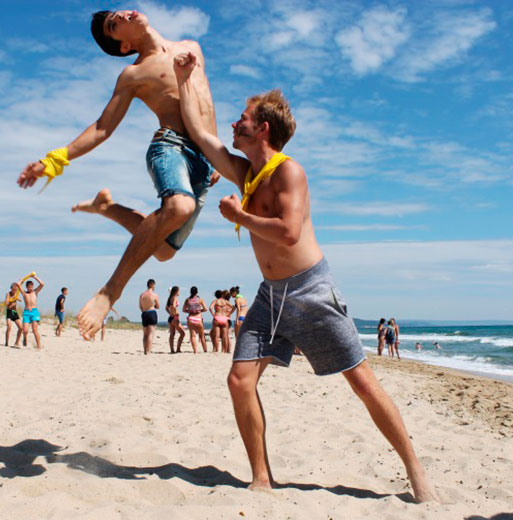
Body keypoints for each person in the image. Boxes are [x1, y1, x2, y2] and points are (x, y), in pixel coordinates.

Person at [174, 57, 438, 501]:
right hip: (270, 297)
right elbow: (200, 134)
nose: (235, 124)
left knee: (362, 382)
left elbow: (290, 230)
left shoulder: (288, 171)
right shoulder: (246, 172)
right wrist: (184, 81)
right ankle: (261, 476)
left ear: (262, 129)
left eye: (243, 118)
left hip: (312, 291)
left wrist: (240, 216)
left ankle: (416, 472)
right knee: (239, 381)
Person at [17, 9, 219, 341]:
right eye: (114, 24)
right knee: (178, 208)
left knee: (164, 251)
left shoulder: (192, 46)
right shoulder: (134, 73)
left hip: (204, 159)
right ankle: (110, 291)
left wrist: (216, 159)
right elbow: (101, 128)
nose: (123, 15)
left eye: (118, 13)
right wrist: (52, 161)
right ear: (124, 45)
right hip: (170, 146)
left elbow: (205, 105)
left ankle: (106, 207)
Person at [20, 274, 44, 349]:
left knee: (34, 330)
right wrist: (22, 280)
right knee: (25, 330)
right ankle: (25, 337)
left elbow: (42, 284)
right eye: (29, 286)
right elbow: (18, 284)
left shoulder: (35, 292)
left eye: (32, 286)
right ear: (27, 287)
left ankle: (39, 345)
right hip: (26, 313)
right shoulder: (24, 293)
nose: (31, 288)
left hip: (34, 312)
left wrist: (34, 277)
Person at [182, 286, 207, 353]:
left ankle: (195, 351)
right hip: (198, 318)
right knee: (202, 336)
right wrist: (200, 310)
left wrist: (189, 311)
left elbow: (183, 310)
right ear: (197, 292)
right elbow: (205, 309)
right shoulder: (200, 299)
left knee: (192, 335)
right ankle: (205, 350)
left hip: (191, 318)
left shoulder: (187, 300)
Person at [139, 279, 160, 355]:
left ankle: (145, 350)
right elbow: (158, 306)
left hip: (144, 313)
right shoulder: (154, 295)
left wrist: (144, 310)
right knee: (151, 333)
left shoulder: (142, 295)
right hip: (151, 312)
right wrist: (153, 305)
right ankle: (148, 351)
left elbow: (140, 306)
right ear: (152, 285)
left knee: (145, 334)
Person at [166, 286, 186, 353]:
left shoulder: (169, 298)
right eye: (179, 291)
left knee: (172, 334)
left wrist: (170, 313)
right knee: (182, 333)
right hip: (175, 317)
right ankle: (178, 349)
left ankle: (172, 350)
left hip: (170, 318)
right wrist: (176, 313)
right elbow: (174, 306)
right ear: (176, 291)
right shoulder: (175, 298)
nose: (179, 292)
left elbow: (166, 308)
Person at [4, 282, 23, 347]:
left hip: (14, 312)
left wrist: (16, 297)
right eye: (13, 289)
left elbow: (20, 300)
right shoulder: (8, 294)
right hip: (9, 311)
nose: (14, 290)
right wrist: (9, 300)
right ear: (11, 288)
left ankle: (17, 342)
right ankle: (6, 342)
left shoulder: (16, 294)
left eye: (16, 289)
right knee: (9, 327)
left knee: (20, 328)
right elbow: (6, 302)